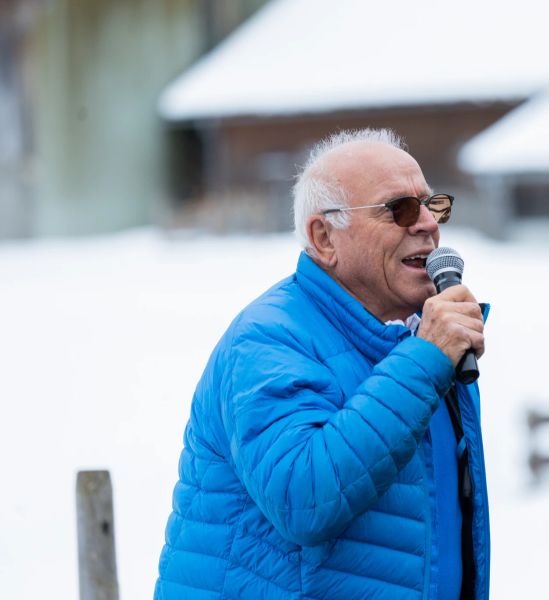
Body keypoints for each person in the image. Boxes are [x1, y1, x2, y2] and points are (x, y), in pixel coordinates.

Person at [154, 128, 490, 600]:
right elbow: (304, 498)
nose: (427, 225)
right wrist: (425, 359)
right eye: (400, 209)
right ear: (323, 237)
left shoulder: (420, 342)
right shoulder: (268, 340)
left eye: (433, 205)